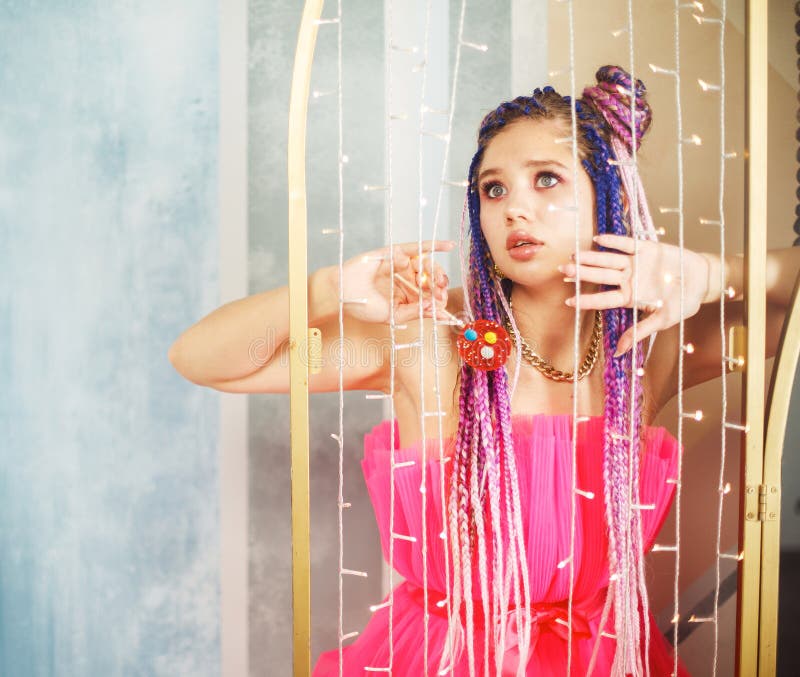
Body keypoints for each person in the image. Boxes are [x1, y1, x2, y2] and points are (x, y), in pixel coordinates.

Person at [169, 66, 800, 676]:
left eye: (546, 179)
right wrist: (326, 288)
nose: (513, 210)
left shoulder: (652, 347)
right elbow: (205, 359)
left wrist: (712, 274)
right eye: (493, 189)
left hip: (603, 658)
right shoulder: (428, 343)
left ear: (608, 196)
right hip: (438, 660)